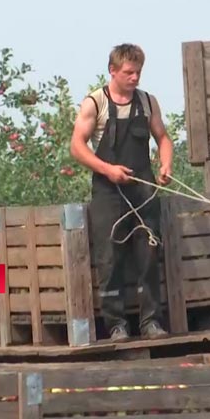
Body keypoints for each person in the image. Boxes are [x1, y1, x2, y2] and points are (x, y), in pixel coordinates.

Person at [70, 43, 173, 340]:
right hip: (108, 191)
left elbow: (163, 138)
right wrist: (107, 169)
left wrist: (166, 164)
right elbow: (76, 146)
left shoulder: (148, 102)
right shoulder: (95, 103)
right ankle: (116, 325)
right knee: (109, 258)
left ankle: (151, 322)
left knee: (149, 254)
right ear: (112, 71)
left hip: (144, 188)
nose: (135, 78)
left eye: (138, 72)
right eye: (129, 72)